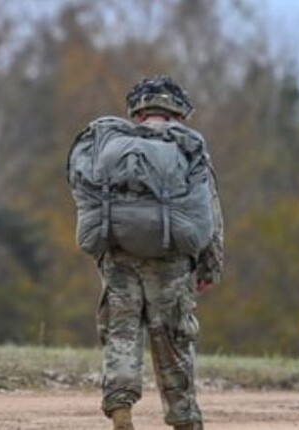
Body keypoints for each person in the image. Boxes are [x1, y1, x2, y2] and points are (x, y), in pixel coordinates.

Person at [68, 76, 223, 430]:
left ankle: (120, 406)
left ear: (136, 110)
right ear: (178, 111)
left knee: (121, 332)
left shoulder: (112, 144)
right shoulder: (187, 146)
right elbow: (210, 212)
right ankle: (183, 417)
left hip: (119, 255)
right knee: (173, 338)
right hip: (170, 259)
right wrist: (209, 268)